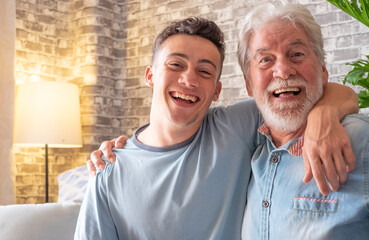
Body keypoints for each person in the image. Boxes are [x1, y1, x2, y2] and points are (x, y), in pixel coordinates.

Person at [76, 17, 357, 240]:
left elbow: (319, 91)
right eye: (176, 64)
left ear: (217, 91)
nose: (189, 79)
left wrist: (324, 117)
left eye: (205, 71)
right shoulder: (108, 168)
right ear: (151, 75)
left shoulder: (234, 125)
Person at [237, 3, 369, 239]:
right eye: (266, 59)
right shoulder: (246, 147)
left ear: (323, 71)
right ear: (248, 83)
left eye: (297, 54)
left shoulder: (361, 141)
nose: (283, 71)